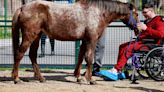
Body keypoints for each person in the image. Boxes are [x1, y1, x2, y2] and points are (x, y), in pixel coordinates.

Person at [99, 3, 164, 80]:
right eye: (143, 12)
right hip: (143, 42)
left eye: (145, 12)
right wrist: (138, 31)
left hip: (151, 44)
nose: (143, 14)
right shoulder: (148, 21)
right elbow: (144, 33)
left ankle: (115, 70)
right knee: (122, 46)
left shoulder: (158, 20)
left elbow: (161, 34)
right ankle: (119, 71)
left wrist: (146, 29)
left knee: (129, 48)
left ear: (151, 11)